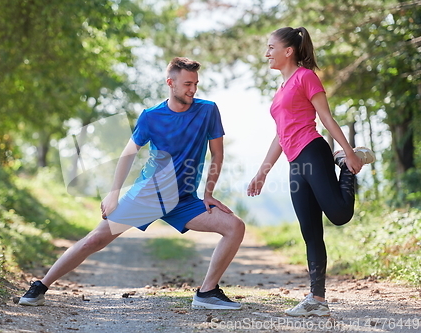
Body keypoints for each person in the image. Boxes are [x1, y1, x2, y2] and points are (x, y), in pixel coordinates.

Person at [19, 57, 245, 310]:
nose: (192, 90)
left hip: (183, 200)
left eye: (196, 84)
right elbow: (129, 153)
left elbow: (217, 154)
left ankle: (206, 293)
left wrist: (209, 193)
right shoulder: (151, 116)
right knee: (95, 240)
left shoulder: (207, 110)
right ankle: (41, 286)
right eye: (187, 84)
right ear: (170, 83)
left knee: (235, 226)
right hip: (148, 194)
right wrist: (113, 194)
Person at [247, 27, 375, 317]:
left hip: (313, 151)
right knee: (310, 232)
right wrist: (262, 172)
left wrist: (350, 152)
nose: (266, 53)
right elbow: (280, 136)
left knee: (340, 215)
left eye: (271, 47)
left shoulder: (306, 77)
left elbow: (326, 118)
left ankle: (344, 165)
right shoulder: (280, 90)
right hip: (295, 163)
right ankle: (317, 300)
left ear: (288, 51)